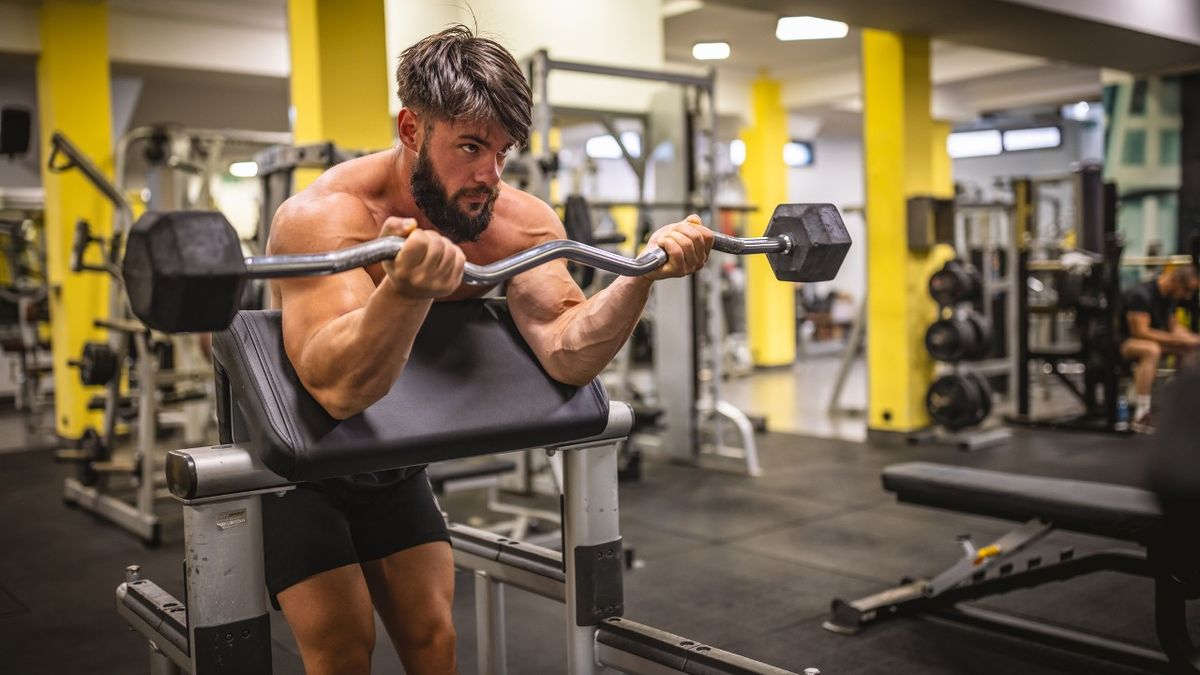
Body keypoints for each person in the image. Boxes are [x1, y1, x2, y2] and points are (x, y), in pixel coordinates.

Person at [263, 25, 714, 675]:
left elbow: (566, 349)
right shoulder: (323, 217)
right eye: (470, 146)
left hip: (392, 461)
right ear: (412, 130)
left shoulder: (520, 222)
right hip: (301, 464)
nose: (489, 176)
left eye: (502, 151)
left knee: (434, 638)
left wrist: (638, 275)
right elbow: (334, 387)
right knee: (341, 648)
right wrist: (406, 293)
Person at [1118, 264, 1200, 431]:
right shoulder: (1141, 295)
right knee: (1151, 350)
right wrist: (1177, 340)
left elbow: (1174, 327)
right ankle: (1142, 415)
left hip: (1150, 340)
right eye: (1186, 290)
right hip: (1124, 342)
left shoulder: (1169, 296)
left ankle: (1182, 408)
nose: (1187, 296)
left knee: (1189, 351)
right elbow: (1140, 332)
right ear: (1175, 281)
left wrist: (1194, 339)